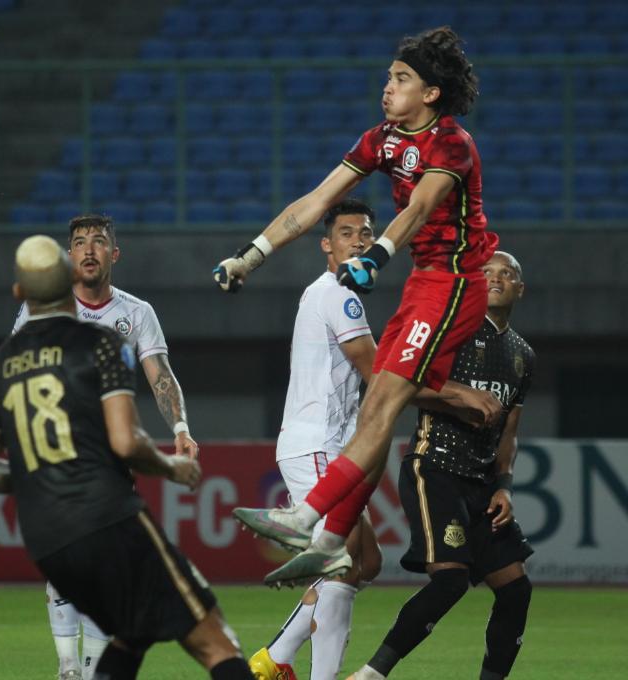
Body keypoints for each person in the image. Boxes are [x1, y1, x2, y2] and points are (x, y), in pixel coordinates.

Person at [219, 26, 503, 585]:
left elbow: (420, 207)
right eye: (388, 77)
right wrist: (250, 256)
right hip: (423, 282)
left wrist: (376, 254)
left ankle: (306, 517)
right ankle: (329, 541)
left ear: (430, 93)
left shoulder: (452, 143)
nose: (387, 87)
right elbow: (316, 201)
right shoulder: (383, 138)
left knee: (379, 406)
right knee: (378, 406)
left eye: (401, 79)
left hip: (454, 283)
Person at [0, 235, 253, 680]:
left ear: (19, 294)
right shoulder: (98, 342)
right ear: (68, 281)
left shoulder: (0, 364)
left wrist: (35, 478)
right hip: (105, 515)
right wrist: (172, 466)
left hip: (45, 540)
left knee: (130, 632)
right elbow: (124, 442)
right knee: (216, 641)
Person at [12, 214, 198, 679]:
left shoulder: (136, 313)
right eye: (79, 242)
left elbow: (160, 377)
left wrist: (180, 427)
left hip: (112, 455)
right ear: (69, 256)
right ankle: (68, 666)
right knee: (63, 562)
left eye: (99, 242)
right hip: (55, 453)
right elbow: (16, 372)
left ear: (114, 254)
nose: (89, 249)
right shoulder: (43, 310)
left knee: (106, 567)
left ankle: (92, 670)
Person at [348, 251, 534, 680]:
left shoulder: (524, 354)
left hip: (484, 484)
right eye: (487, 271)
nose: (496, 278)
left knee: (516, 589)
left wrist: (504, 485)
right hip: (434, 468)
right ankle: (371, 674)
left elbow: (509, 431)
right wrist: (461, 394)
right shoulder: (452, 333)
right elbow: (396, 386)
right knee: (450, 580)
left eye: (507, 273)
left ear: (520, 289)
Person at [249, 199, 385, 680]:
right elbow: (377, 373)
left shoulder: (331, 294)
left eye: (367, 234)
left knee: (367, 560)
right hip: (319, 445)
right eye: (347, 233)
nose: (359, 241)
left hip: (326, 445)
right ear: (327, 245)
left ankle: (275, 659)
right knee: (343, 565)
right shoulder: (337, 296)